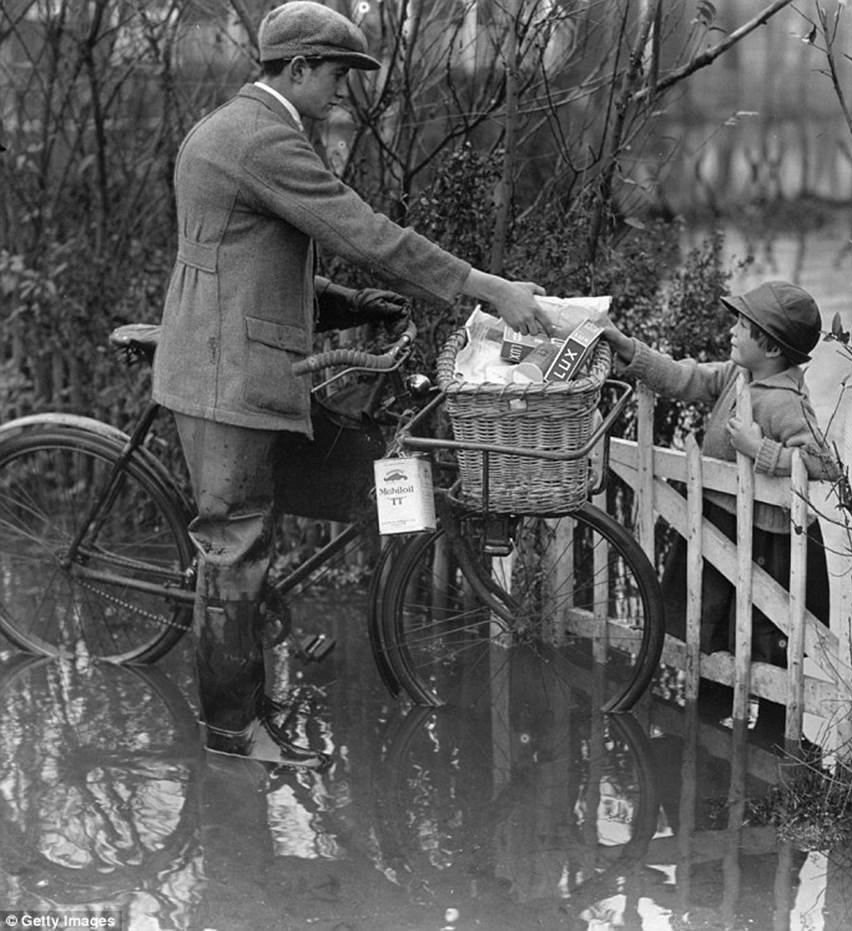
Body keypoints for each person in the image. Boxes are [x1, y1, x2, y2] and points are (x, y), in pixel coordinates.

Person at [152, 0, 551, 767]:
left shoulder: (229, 127)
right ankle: (233, 730)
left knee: (287, 511)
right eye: (337, 73)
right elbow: (365, 232)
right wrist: (486, 286)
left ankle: (256, 668)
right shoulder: (263, 139)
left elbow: (247, 264)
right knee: (235, 543)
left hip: (227, 359)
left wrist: (351, 304)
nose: (344, 90)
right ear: (298, 67)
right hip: (228, 374)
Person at [601, 280, 839, 700]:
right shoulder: (738, 375)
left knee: (767, 643)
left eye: (742, 327)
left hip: (768, 541)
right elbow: (685, 377)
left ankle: (770, 725)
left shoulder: (786, 401)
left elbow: (824, 463)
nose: (731, 331)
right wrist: (628, 348)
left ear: (771, 348)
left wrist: (760, 449)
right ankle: (712, 711)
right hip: (720, 523)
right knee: (712, 630)